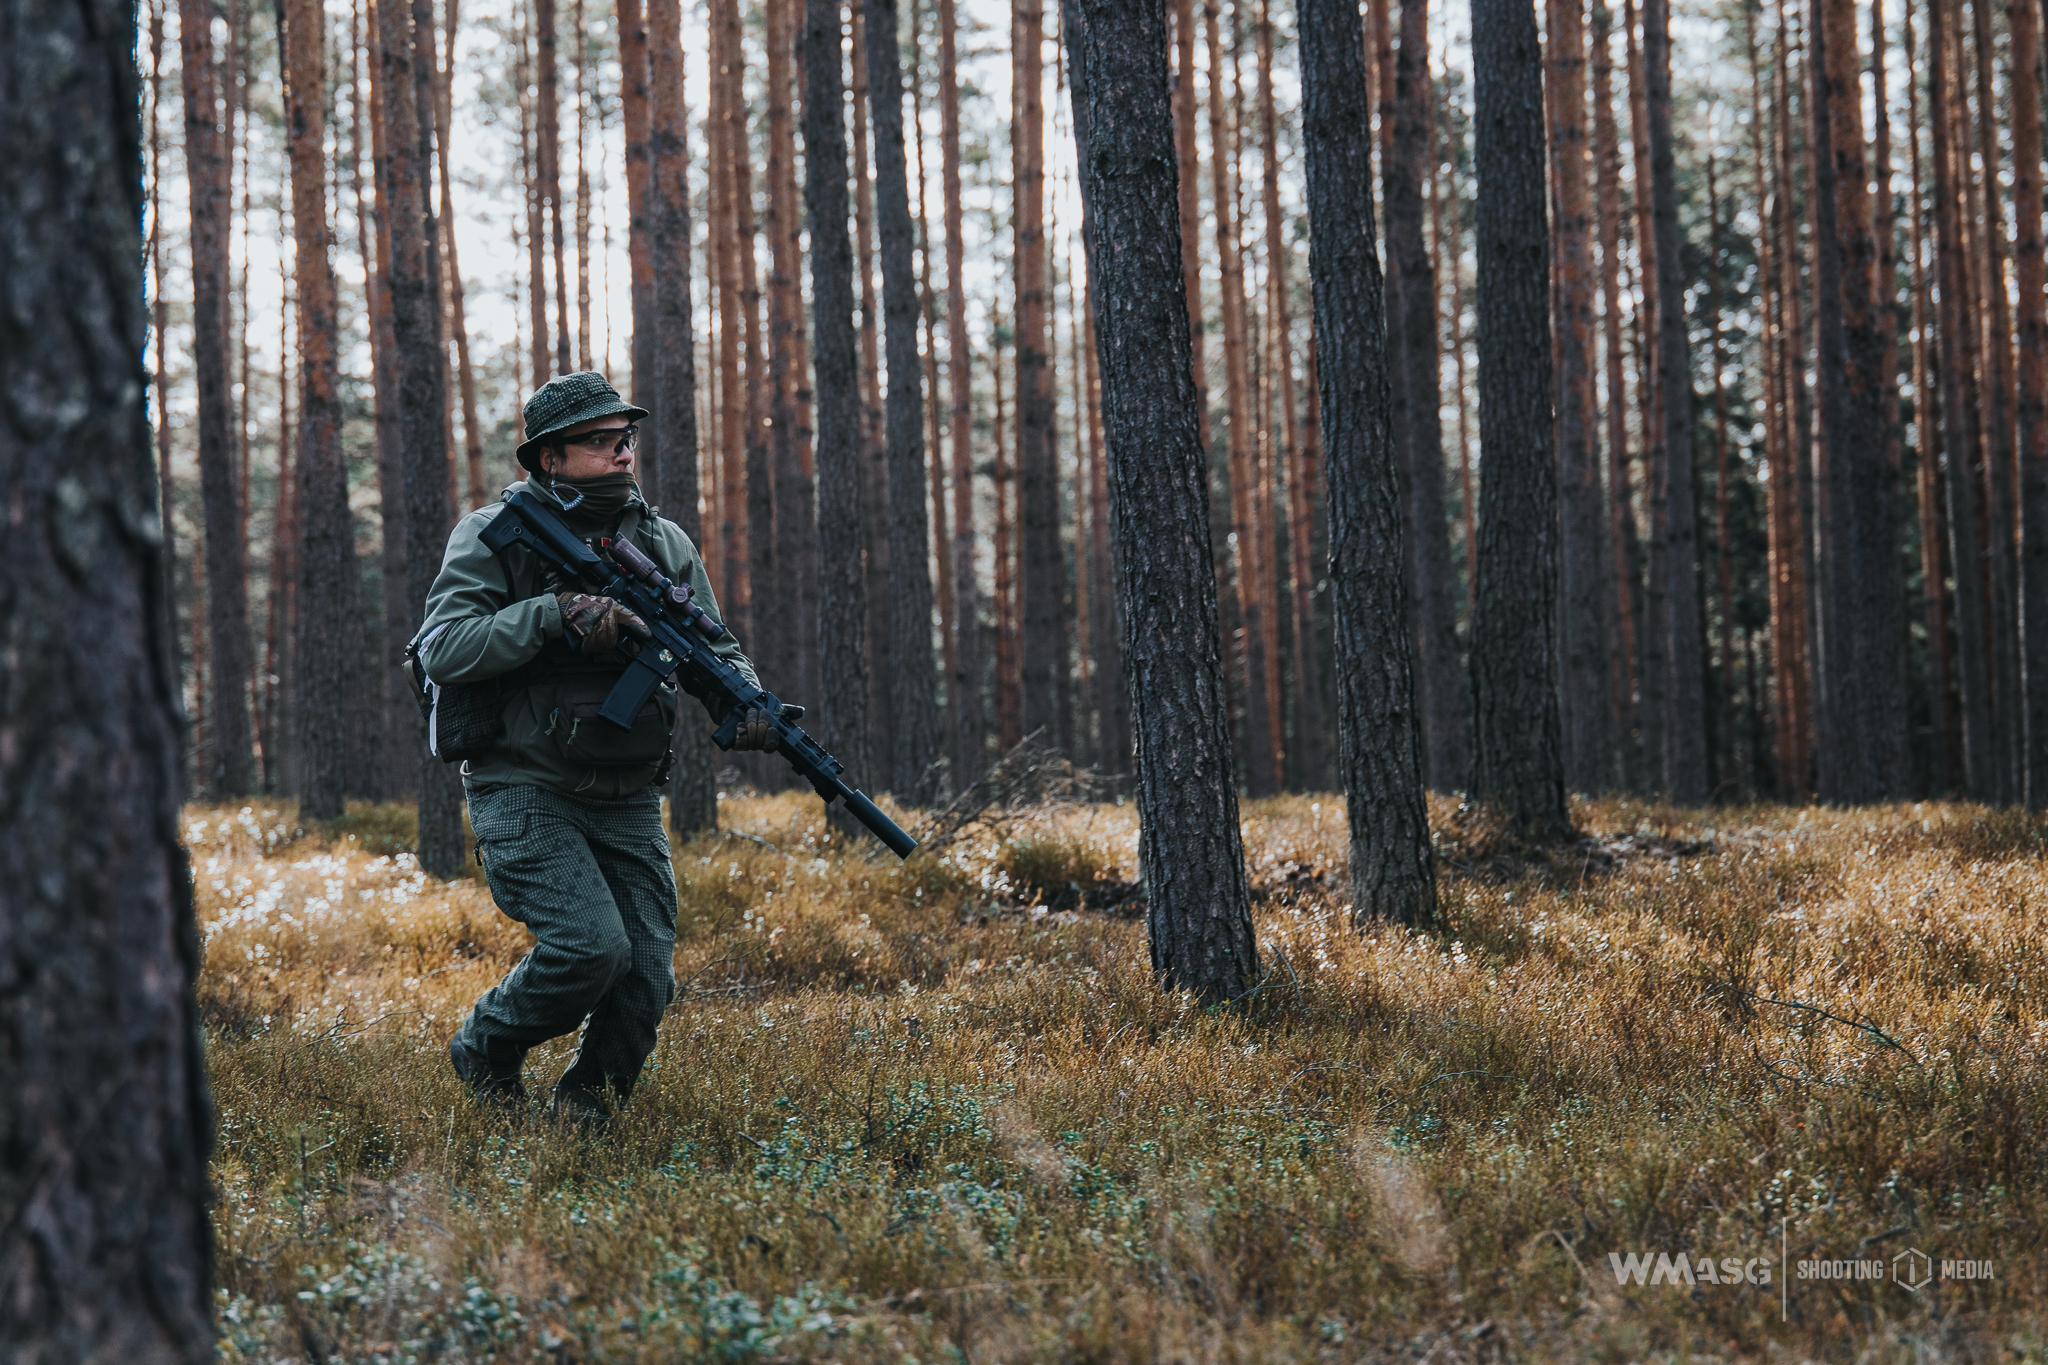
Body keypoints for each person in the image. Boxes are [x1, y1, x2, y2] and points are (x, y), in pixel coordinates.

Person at [414, 371, 774, 1125]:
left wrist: (747, 702)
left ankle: (587, 1109)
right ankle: (486, 1046)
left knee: (645, 973)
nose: (622, 453)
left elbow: (715, 646)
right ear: (550, 457)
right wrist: (552, 614)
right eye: (602, 441)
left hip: (627, 789)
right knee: (589, 947)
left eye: (627, 439)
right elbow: (443, 648)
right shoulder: (492, 533)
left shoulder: (662, 540)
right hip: (525, 783)